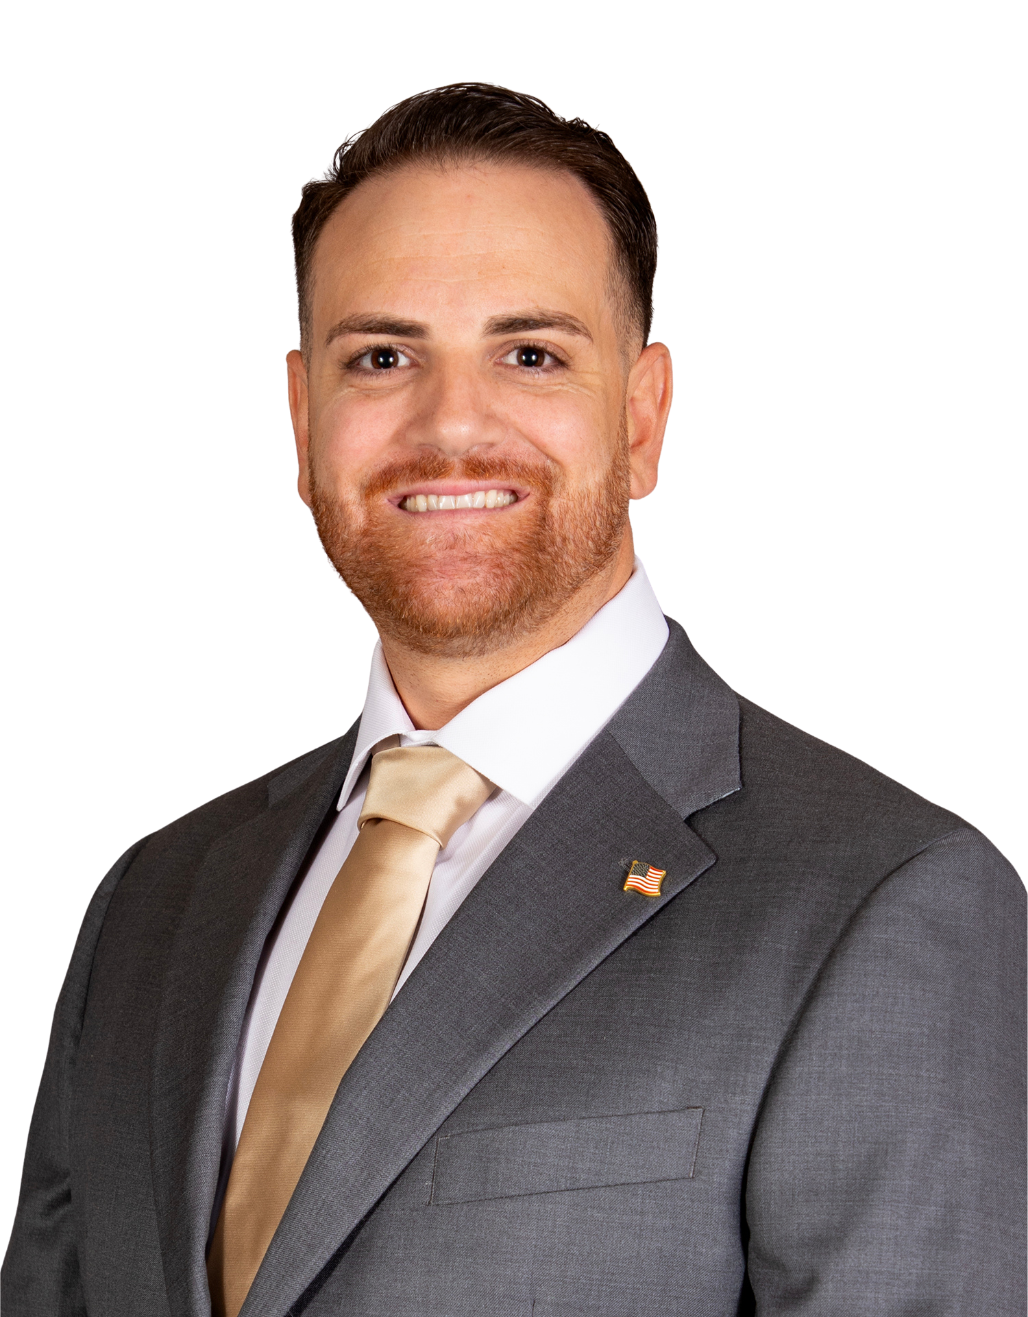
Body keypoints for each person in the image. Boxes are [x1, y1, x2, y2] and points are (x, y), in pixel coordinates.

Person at [2, 82, 1024, 1317]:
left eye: (528, 354)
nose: (449, 426)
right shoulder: (153, 900)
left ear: (641, 418)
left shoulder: (882, 896)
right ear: (302, 417)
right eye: (382, 357)